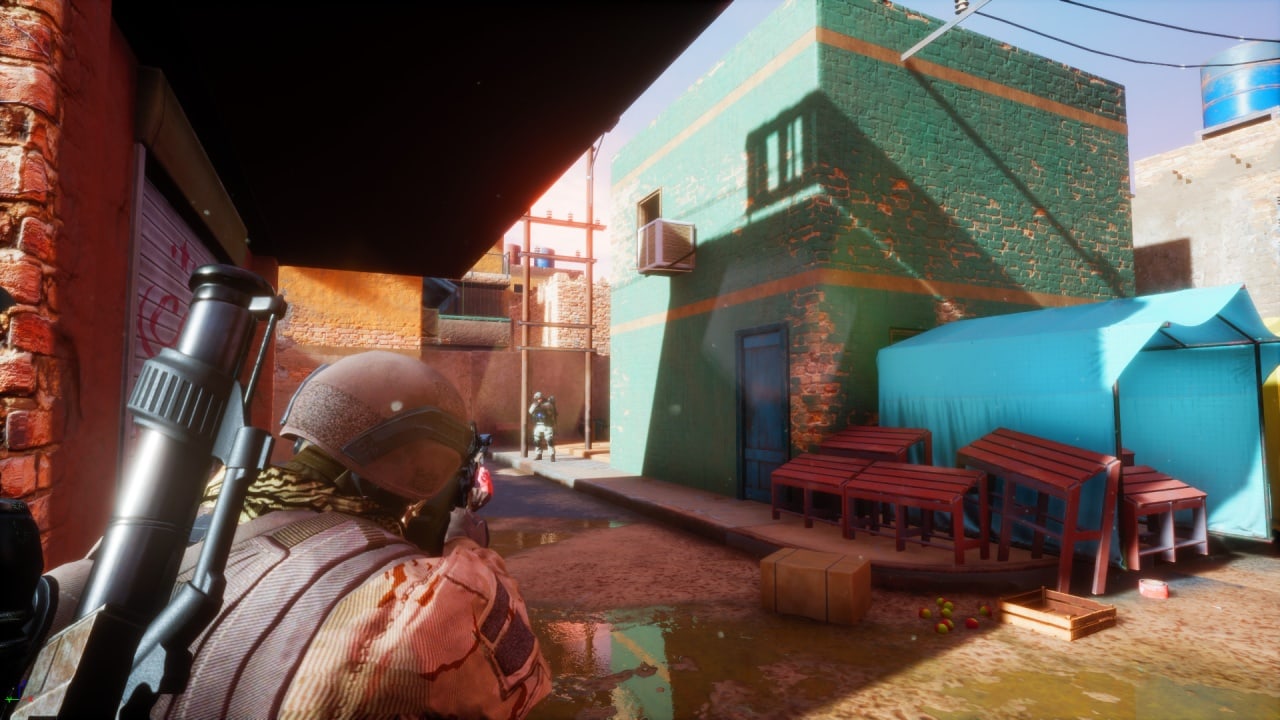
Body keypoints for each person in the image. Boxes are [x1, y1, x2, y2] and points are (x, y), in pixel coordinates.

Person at [42, 351, 551, 719]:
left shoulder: (180, 523)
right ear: (425, 479)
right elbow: (523, 688)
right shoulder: (434, 599)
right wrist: (463, 544)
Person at [528, 391, 557, 461]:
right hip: (538, 425)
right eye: (537, 398)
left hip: (547, 425)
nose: (539, 399)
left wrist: (540, 405)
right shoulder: (534, 404)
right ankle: (539, 454)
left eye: (540, 398)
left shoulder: (547, 404)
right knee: (537, 441)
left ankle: (552, 455)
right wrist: (536, 404)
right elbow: (530, 411)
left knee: (549, 440)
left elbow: (548, 408)